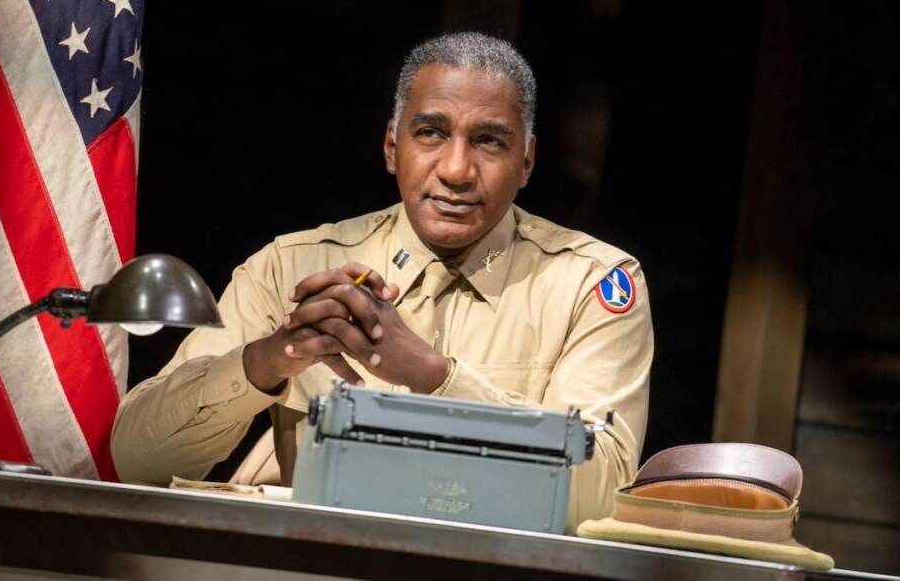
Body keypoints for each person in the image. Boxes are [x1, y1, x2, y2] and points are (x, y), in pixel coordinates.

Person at [111, 32, 654, 532]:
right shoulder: (292, 265)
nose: (457, 170)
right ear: (392, 147)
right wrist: (268, 361)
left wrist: (434, 375)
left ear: (527, 162)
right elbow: (136, 460)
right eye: (431, 133)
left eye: (489, 141)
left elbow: (600, 497)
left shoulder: (591, 283)